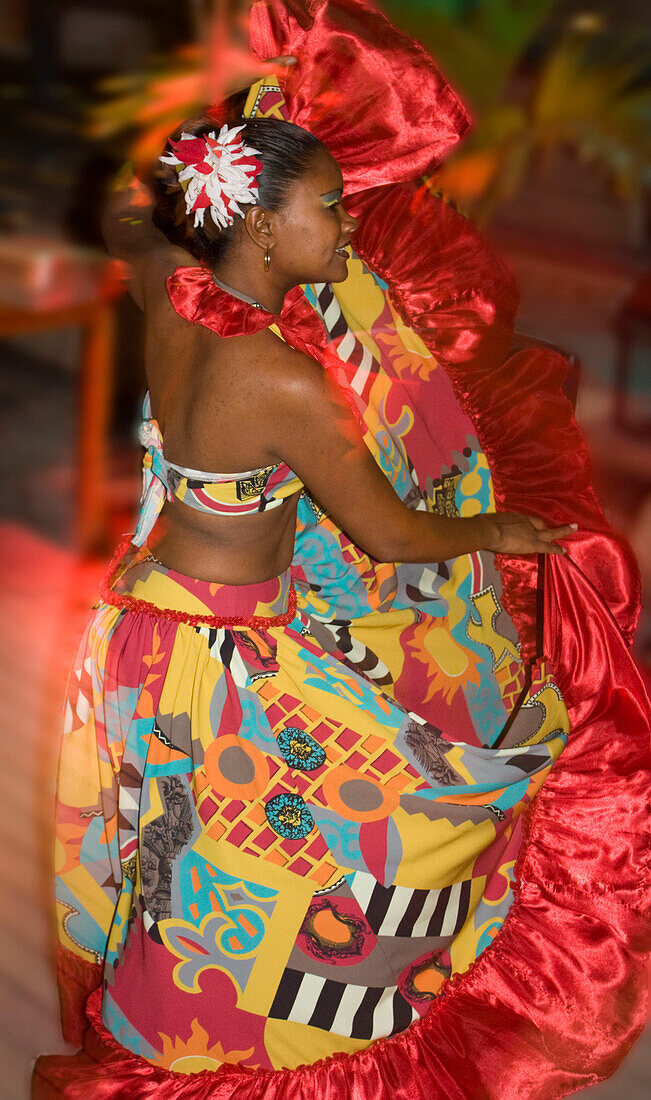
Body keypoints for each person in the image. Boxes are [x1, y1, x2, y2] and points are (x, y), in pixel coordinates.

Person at [35, 4, 649, 1097]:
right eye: (331, 205)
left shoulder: (168, 294)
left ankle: (171, 1033)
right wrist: (494, 530)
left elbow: (139, 212)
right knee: (382, 826)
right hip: (221, 656)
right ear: (261, 225)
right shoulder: (278, 379)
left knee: (178, 863)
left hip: (138, 633)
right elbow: (389, 529)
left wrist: (239, 133)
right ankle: (237, 1050)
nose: (351, 222)